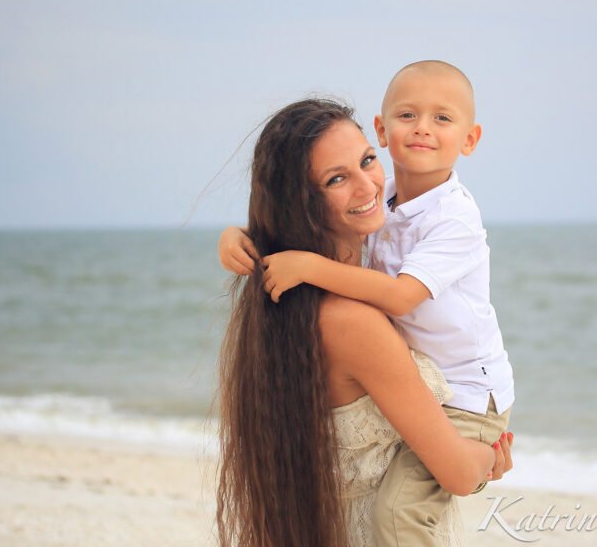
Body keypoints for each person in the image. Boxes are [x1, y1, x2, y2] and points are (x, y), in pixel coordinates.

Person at [220, 61, 515, 547]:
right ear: (385, 129)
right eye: (336, 180)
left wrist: (254, 240)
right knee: (400, 515)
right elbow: (462, 475)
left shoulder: (291, 304)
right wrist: (489, 463)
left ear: (469, 138)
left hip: (472, 396)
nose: (367, 187)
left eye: (365, 162)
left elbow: (397, 294)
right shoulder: (351, 318)